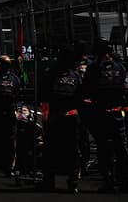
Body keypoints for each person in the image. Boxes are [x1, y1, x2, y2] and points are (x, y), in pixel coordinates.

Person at [82, 40, 128, 193]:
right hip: (117, 112)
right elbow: (127, 88)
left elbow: (86, 90)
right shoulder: (120, 67)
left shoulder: (93, 68)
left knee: (103, 148)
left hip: (101, 112)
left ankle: (109, 181)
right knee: (121, 148)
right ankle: (126, 182)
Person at [39, 45, 84, 193]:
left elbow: (44, 96)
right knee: (71, 150)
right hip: (68, 115)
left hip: (58, 116)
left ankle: (50, 180)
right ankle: (72, 182)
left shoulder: (51, 74)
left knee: (51, 149)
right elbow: (81, 96)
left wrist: (46, 116)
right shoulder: (76, 75)